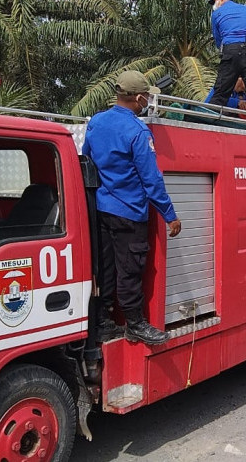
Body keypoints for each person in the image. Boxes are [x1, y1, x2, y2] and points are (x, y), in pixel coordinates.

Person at [82, 70, 182, 345]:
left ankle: (103, 322)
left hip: (101, 209)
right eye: (147, 97)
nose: (148, 100)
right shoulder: (138, 131)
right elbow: (151, 178)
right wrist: (170, 215)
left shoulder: (96, 122)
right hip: (129, 212)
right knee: (130, 269)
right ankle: (135, 325)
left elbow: (87, 161)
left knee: (105, 267)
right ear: (139, 98)